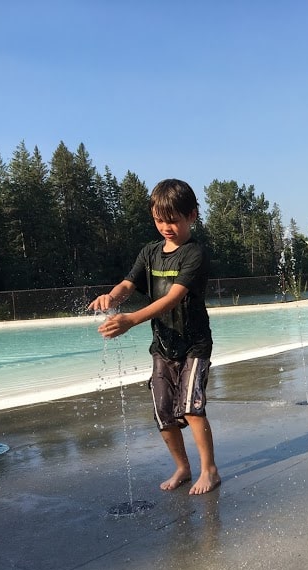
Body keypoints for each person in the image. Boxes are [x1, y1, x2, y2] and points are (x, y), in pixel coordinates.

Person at [88, 178, 221, 495]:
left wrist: (130, 319)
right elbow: (127, 285)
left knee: (191, 407)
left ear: (192, 215)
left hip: (194, 346)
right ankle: (182, 467)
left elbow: (172, 298)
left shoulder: (194, 254)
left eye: (172, 220)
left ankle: (210, 470)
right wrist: (111, 297)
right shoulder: (149, 253)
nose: (166, 227)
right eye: (159, 220)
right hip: (162, 346)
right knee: (163, 412)